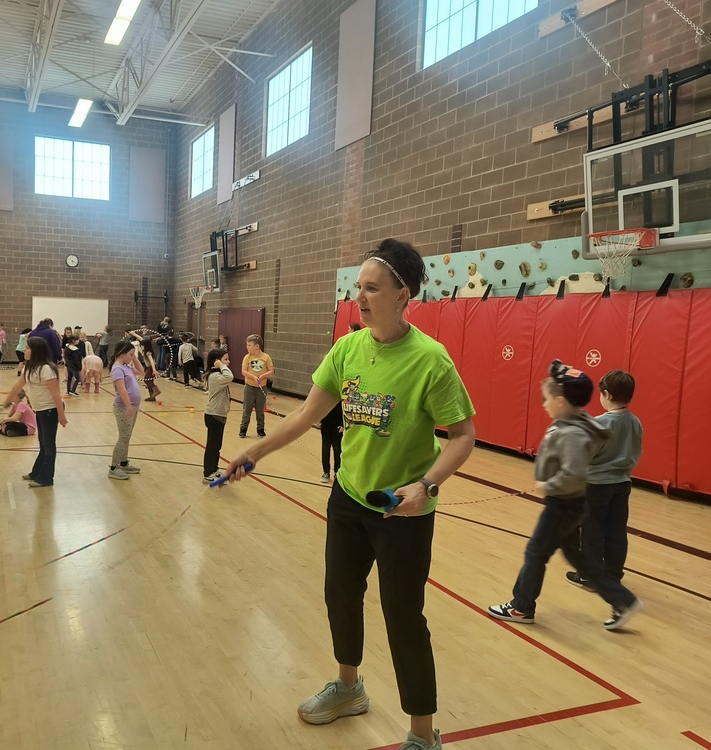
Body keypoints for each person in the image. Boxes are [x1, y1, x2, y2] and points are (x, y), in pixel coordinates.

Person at [219, 239, 476, 750]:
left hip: (401, 511)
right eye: (358, 287)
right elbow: (304, 413)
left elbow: (463, 435)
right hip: (349, 498)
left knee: (404, 618)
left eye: (372, 288)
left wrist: (426, 485)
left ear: (402, 294)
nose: (359, 297)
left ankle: (422, 735)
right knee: (340, 593)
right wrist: (256, 451)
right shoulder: (347, 348)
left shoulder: (431, 360)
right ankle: (349, 687)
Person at [488, 360, 643, 631]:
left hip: (562, 503)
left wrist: (549, 484)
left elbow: (573, 472)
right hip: (572, 502)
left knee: (535, 552)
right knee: (577, 556)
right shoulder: (576, 420)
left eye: (547, 398)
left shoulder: (571, 431)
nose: (543, 403)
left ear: (560, 401)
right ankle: (622, 599)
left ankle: (522, 606)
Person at [568, 370, 644, 594]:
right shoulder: (635, 422)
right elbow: (636, 451)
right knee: (616, 530)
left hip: (597, 485)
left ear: (607, 394)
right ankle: (612, 574)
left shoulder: (600, 423)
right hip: (622, 484)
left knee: (592, 531)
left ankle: (589, 577)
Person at [3, 337, 67, 488]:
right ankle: (37, 473)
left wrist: (61, 415)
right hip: (40, 411)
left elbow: (56, 394)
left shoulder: (47, 369)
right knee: (43, 444)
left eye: (27, 348)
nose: (24, 350)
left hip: (49, 411)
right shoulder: (29, 367)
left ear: (36, 351)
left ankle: (46, 479)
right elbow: (17, 386)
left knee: (49, 446)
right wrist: (8, 400)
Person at [108, 340, 145, 480]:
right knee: (123, 437)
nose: (132, 357)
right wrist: (129, 406)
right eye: (130, 354)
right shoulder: (117, 369)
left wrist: (134, 358)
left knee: (127, 436)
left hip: (132, 408)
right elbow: (122, 389)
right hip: (123, 408)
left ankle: (123, 462)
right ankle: (113, 467)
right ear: (122, 354)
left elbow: (141, 371)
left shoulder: (126, 367)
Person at [202, 348, 232, 482]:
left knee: (217, 446)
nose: (228, 362)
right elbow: (229, 376)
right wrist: (221, 365)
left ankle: (214, 469)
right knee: (212, 446)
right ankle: (208, 473)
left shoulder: (218, 376)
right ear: (217, 361)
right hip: (213, 414)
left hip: (220, 414)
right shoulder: (215, 377)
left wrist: (222, 365)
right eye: (226, 359)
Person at [238, 335, 275, 439]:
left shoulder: (266, 357)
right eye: (247, 345)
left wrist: (263, 376)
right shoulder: (247, 357)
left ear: (257, 346)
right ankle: (243, 429)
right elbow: (244, 371)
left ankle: (260, 430)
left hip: (261, 387)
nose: (247, 347)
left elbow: (271, 371)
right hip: (249, 387)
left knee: (260, 410)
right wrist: (253, 377)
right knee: (247, 409)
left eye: (249, 345)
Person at [319, 402, 343, 484]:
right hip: (325, 423)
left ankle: (337, 472)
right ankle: (326, 472)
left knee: (337, 449)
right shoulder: (325, 396)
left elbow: (344, 409)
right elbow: (320, 405)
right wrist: (318, 419)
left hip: (337, 425)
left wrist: (343, 424)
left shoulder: (340, 397)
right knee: (325, 447)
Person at [62, 327, 83, 396]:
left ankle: (68, 391)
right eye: (77, 340)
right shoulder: (75, 350)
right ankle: (72, 391)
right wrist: (79, 367)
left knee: (70, 378)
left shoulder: (67, 347)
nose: (78, 341)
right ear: (73, 341)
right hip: (73, 366)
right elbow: (76, 359)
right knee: (78, 378)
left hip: (68, 365)